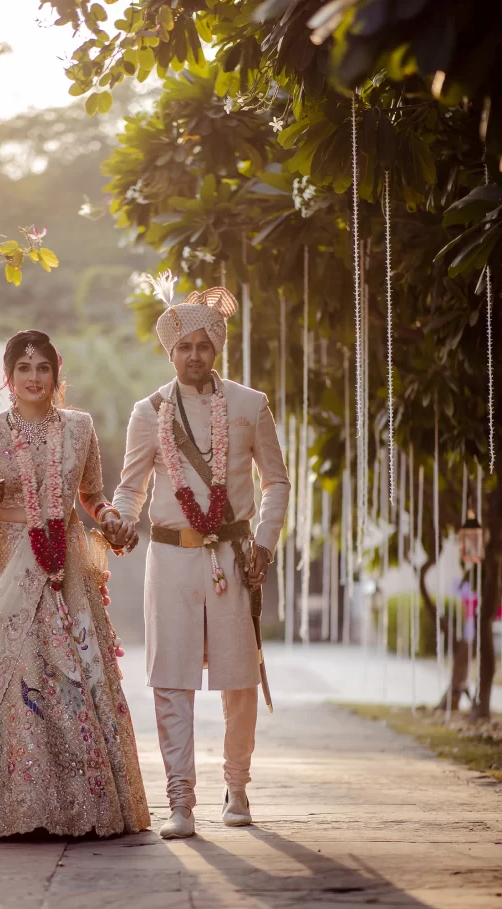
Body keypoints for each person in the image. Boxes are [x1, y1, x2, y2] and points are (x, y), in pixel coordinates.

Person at [0, 330, 150, 840]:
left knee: (75, 672)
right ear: (7, 378)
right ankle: (5, 805)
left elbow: (91, 496)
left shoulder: (79, 428)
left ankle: (81, 805)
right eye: (23, 368)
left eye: (43, 368)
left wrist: (111, 515)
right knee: (8, 672)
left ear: (57, 374)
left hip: (66, 566)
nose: (34, 378)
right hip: (6, 563)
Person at [108, 275, 290, 839]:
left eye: (203, 345)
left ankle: (237, 787)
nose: (193, 355)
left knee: (239, 678)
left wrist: (264, 542)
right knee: (171, 679)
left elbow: (277, 482)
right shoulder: (148, 411)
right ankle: (180, 801)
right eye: (183, 346)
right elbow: (130, 487)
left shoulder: (249, 404)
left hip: (237, 555)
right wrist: (117, 518)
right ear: (171, 351)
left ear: (217, 348)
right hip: (171, 558)